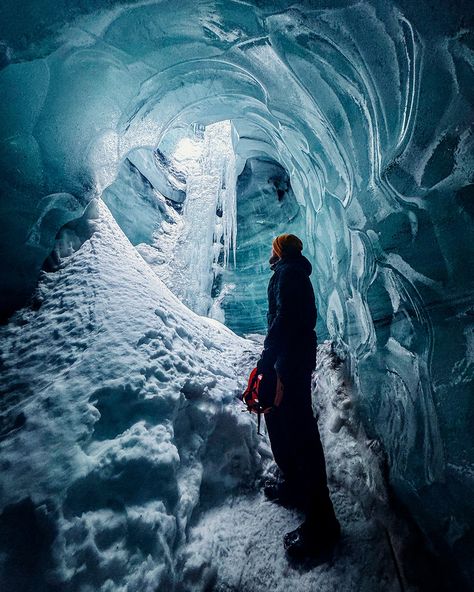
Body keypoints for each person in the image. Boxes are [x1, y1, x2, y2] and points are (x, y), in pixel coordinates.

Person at [256, 233, 340, 561]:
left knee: (300, 431)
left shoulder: (289, 273)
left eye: (272, 248)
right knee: (280, 421)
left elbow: (285, 319)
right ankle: (293, 484)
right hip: (288, 360)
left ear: (280, 250)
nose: (270, 254)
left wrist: (268, 354)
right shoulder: (289, 272)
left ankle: (323, 522)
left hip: (290, 360)